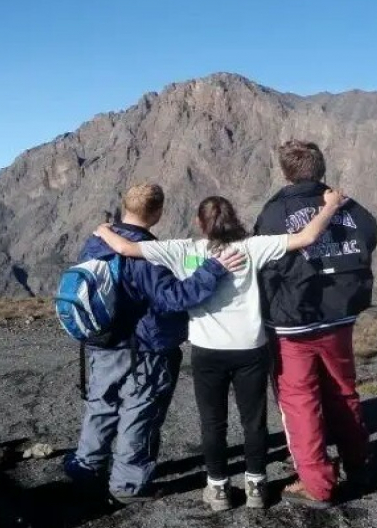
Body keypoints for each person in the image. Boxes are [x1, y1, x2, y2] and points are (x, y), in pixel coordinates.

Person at [94, 188, 346, 511]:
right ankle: (255, 485)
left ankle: (218, 490)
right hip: (250, 350)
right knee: (253, 420)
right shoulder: (252, 247)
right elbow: (307, 236)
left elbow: (124, 248)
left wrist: (103, 229)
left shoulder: (182, 250)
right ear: (233, 219)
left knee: (213, 422)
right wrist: (330, 206)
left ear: (200, 223)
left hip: (207, 352)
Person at [63, 183, 245, 504]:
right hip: (144, 350)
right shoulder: (148, 254)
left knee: (101, 405)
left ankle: (87, 466)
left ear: (124, 207)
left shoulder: (95, 242)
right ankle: (128, 485)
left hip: (101, 343)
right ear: (158, 213)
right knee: (139, 412)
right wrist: (212, 271)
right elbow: (174, 298)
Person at [253, 140, 377, 507]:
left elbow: (263, 255)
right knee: (343, 389)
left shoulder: (276, 212)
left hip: (294, 322)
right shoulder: (348, 206)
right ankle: (359, 462)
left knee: (299, 400)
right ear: (320, 169)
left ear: (286, 172)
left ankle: (318, 483)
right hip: (340, 315)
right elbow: (368, 236)